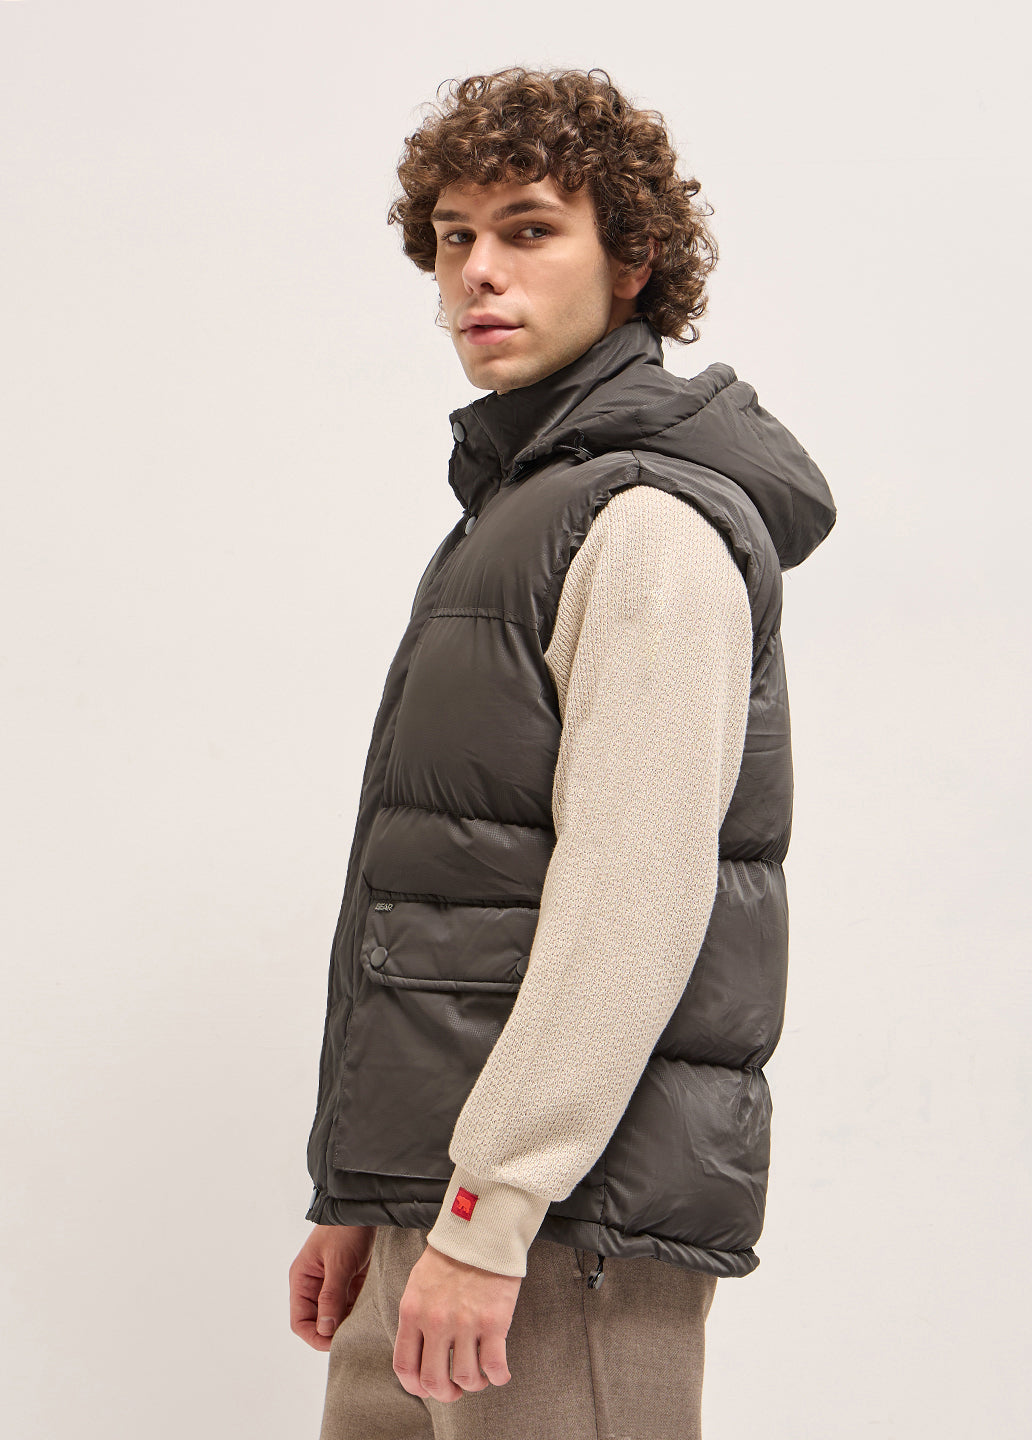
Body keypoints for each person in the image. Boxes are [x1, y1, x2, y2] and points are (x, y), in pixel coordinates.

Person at [289, 65, 837, 1440]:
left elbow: (630, 904)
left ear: (632, 261)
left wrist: (493, 1208)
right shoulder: (523, 512)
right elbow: (447, 895)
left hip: (556, 1230)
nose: (479, 271)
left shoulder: (647, 526)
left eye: (530, 230)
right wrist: (367, 1192)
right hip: (444, 1209)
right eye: (454, 237)